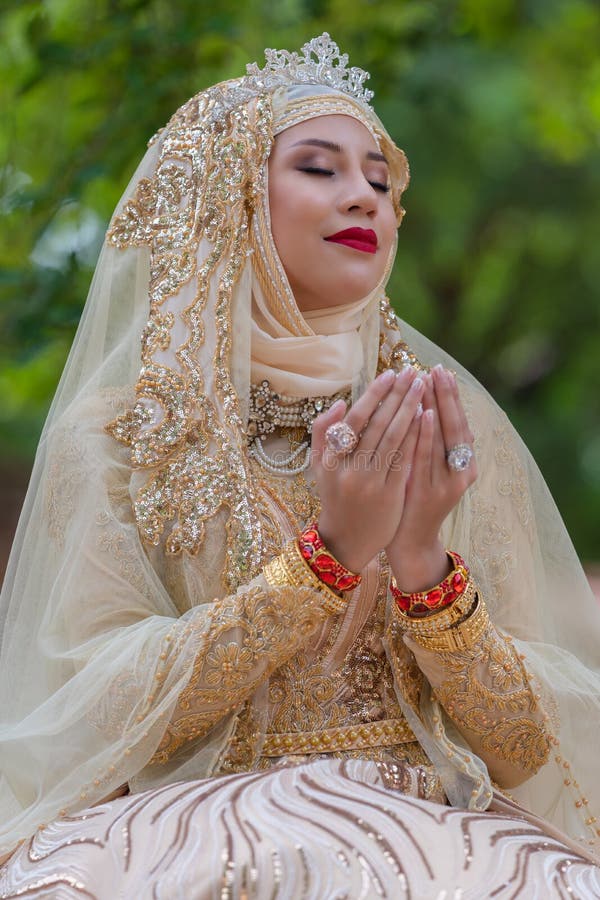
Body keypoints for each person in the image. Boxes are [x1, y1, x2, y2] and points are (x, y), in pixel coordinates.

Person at [1, 33, 599, 898]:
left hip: (447, 844)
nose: (364, 194)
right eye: (319, 169)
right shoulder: (120, 435)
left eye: (381, 180)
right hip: (194, 838)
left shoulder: (448, 429)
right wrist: (325, 557)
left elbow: (522, 748)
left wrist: (425, 565)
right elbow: (94, 717)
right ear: (229, 199)